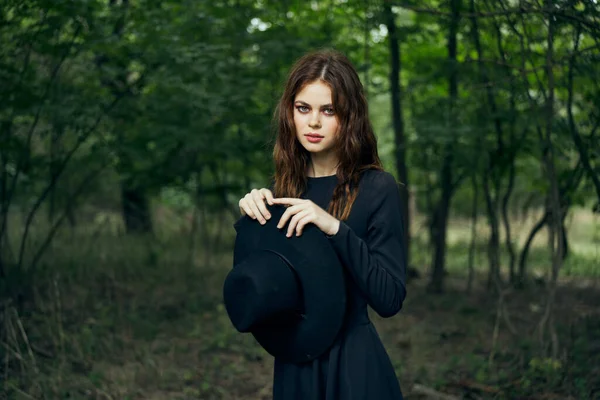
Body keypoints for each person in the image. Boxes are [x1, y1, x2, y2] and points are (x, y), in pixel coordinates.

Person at [237, 49, 407, 400]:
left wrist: (334, 228)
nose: (313, 123)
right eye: (304, 108)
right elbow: (262, 295)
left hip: (353, 369)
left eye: (328, 110)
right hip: (295, 366)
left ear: (350, 117)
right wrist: (251, 223)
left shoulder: (377, 188)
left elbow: (389, 299)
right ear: (290, 112)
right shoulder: (283, 193)